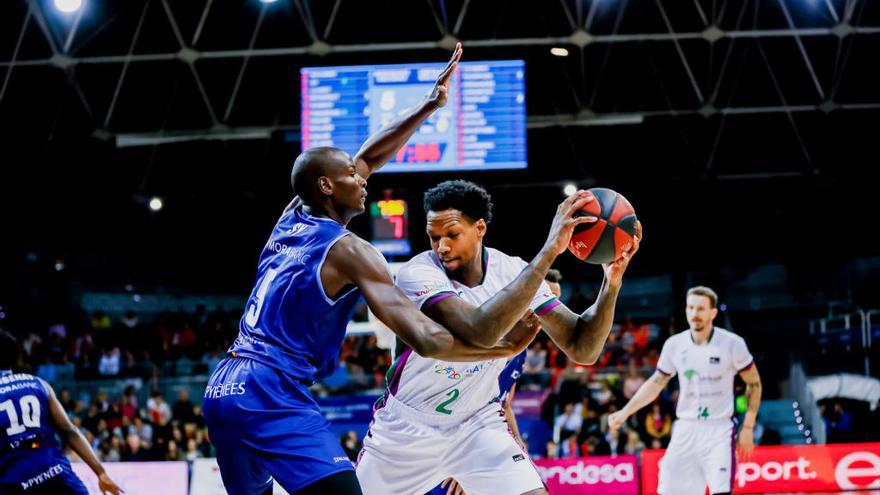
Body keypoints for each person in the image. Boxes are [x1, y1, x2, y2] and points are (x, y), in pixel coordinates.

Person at [202, 44, 543, 495]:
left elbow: (368, 157)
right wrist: (500, 350)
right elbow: (428, 340)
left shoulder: (294, 215)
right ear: (327, 186)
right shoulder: (351, 252)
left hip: (224, 387)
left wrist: (428, 105)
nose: (362, 177)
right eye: (350, 176)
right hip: (272, 388)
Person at [356, 180, 641, 495]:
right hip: (407, 429)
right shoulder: (418, 273)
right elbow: (480, 331)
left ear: (480, 228)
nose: (442, 246)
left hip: (477, 423)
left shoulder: (512, 270)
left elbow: (584, 348)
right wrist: (550, 251)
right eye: (434, 236)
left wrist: (611, 282)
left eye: (452, 235)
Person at [608, 286, 762, 495]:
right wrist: (624, 412)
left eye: (700, 309)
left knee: (721, 491)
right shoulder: (675, 344)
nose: (694, 314)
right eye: (690, 308)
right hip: (686, 427)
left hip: (719, 430)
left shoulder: (732, 344)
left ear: (713, 313)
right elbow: (656, 382)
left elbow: (754, 384)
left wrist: (748, 427)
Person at [425, 269, 567, 495]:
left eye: (556, 301)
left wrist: (520, 446)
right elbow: (448, 405)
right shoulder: (484, 338)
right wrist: (459, 463)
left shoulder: (521, 348)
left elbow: (505, 404)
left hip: (487, 438)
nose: (552, 307)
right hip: (454, 443)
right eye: (547, 297)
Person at [0, 330, 123, 495]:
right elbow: (69, 430)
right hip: (57, 474)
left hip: (14, 483)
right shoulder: (38, 383)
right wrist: (100, 472)